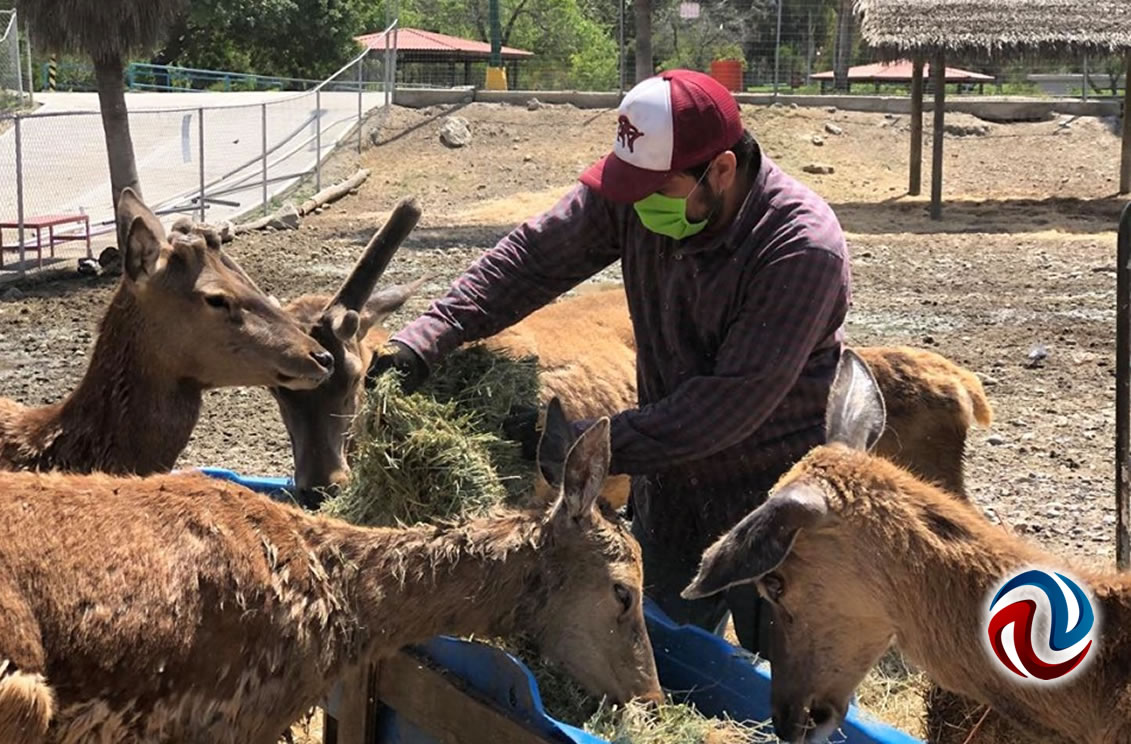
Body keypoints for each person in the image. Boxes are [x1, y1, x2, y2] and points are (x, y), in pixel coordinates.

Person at [368, 68, 851, 657]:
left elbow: (727, 405)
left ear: (722, 170)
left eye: (655, 190)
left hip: (775, 506)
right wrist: (425, 339)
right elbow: (531, 259)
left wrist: (582, 445)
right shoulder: (640, 197)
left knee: (793, 678)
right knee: (659, 660)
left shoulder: (799, 247)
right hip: (673, 494)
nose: (636, 205)